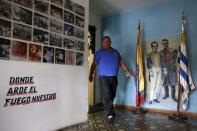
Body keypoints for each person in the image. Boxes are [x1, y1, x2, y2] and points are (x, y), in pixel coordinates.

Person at [89, 36, 131, 120]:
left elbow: (120, 62)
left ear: (110, 42)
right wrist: (90, 74)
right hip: (103, 77)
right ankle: (110, 113)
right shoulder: (99, 52)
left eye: (108, 41)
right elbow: (94, 64)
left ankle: (108, 108)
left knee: (112, 94)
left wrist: (126, 70)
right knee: (107, 93)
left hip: (114, 76)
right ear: (102, 43)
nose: (106, 42)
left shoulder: (116, 52)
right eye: (104, 41)